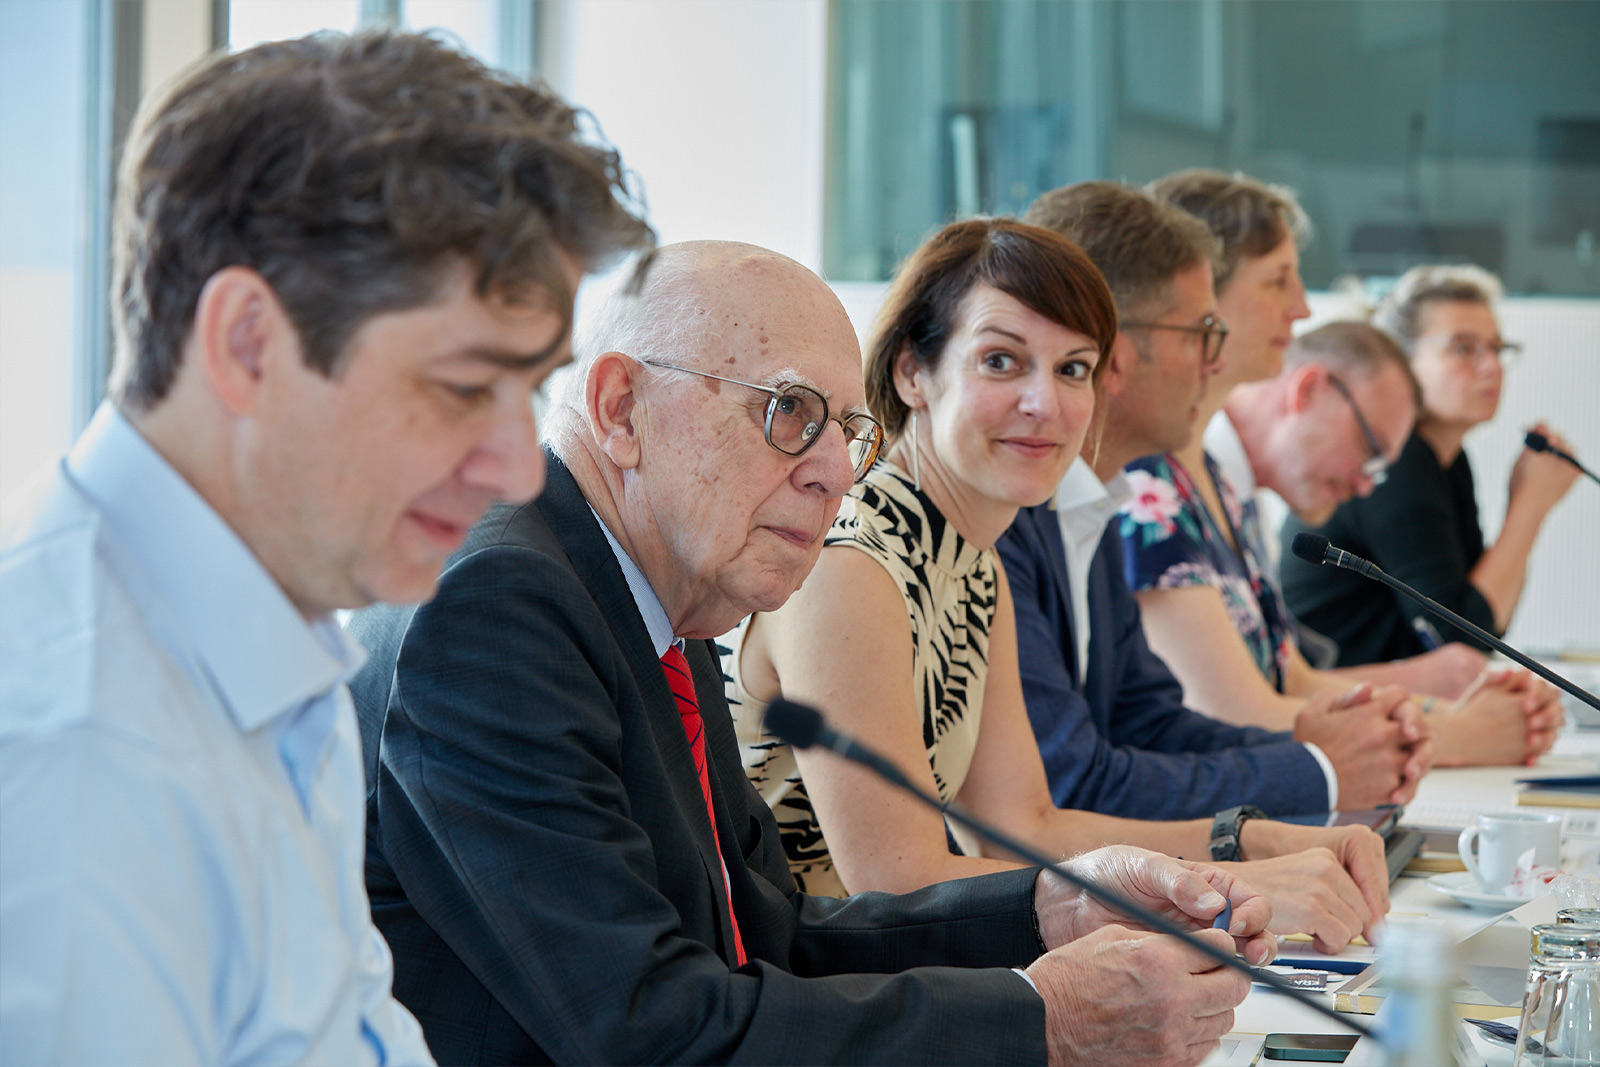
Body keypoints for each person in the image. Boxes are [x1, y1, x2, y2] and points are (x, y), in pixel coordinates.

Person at [348, 240, 1273, 1067]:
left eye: (844, 426)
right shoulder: (498, 602)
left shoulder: (657, 586)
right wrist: (1045, 1018)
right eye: (789, 412)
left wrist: (1047, 912)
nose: (835, 468)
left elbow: (773, 938)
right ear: (620, 406)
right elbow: (649, 1028)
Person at [0, 32, 653, 1065]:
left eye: (527, 390)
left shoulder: (269, 631)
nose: (515, 469)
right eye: (460, 387)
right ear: (249, 344)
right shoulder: (80, 759)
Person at [725, 218, 1391, 957]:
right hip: (804, 997)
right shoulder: (853, 560)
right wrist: (1212, 881)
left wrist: (1247, 838)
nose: (1045, 402)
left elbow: (1028, 822)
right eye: (1002, 361)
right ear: (914, 372)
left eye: (1073, 368)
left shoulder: (974, 559)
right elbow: (899, 881)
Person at [997, 180, 1427, 825]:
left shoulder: (1092, 503)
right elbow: (1078, 781)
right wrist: (1318, 768)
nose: (1213, 361)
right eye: (1202, 331)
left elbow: (1146, 718)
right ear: (1114, 351)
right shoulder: (1021, 517)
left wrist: (1320, 752)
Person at [1123, 171, 1561, 767]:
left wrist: (1439, 712)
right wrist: (1452, 734)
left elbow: (1289, 678)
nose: (1301, 307)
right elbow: (1233, 711)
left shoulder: (1220, 482)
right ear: (1198, 294)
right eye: (1279, 281)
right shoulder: (1150, 483)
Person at [1280, 265, 1581, 666]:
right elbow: (1459, 640)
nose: (1491, 366)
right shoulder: (1397, 463)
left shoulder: (1448, 461)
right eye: (1463, 348)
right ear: (1401, 363)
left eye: (1496, 348)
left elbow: (1487, 623)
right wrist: (1529, 506)